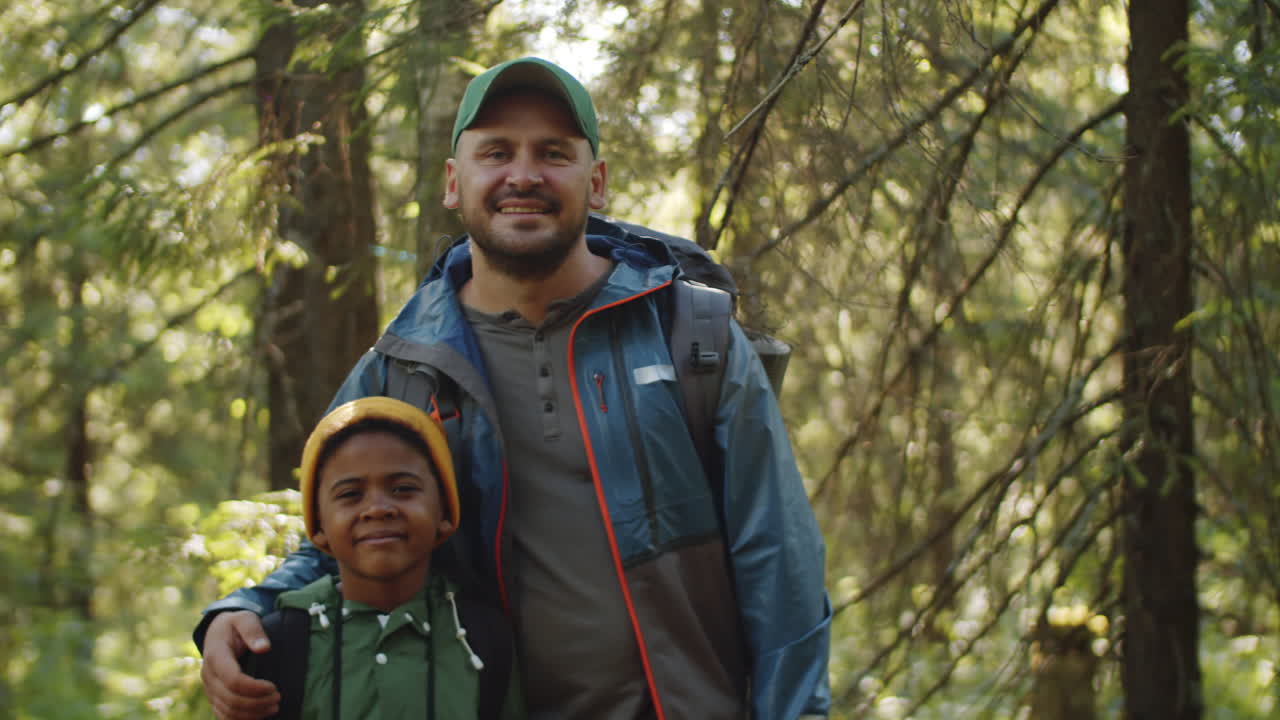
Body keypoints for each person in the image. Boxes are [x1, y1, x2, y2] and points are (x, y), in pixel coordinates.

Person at [197, 56, 832, 720]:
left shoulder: (690, 336)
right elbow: (347, 533)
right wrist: (248, 607)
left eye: (552, 153)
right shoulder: (404, 368)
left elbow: (778, 563)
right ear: (453, 182)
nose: (522, 175)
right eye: (496, 152)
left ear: (598, 180)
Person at [237, 396, 522, 719]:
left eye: (402, 488)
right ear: (318, 526)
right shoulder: (281, 642)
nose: (377, 508)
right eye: (350, 494)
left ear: (444, 510)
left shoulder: (483, 637)